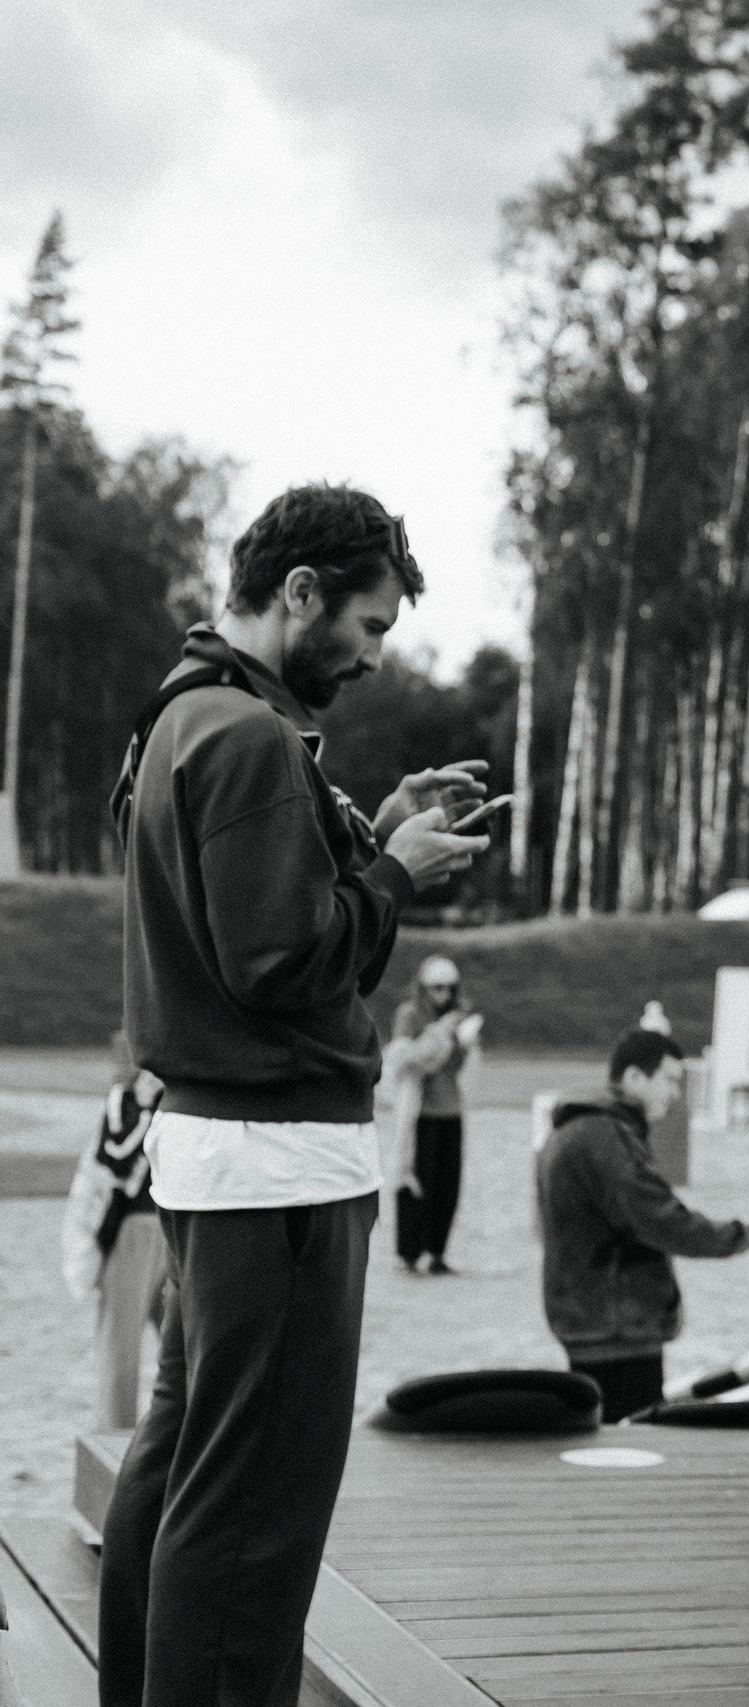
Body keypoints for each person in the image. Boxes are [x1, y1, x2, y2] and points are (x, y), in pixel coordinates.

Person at [99, 483, 489, 1707]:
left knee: (181, 1470)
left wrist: (365, 834)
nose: (375, 656)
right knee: (257, 1511)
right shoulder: (254, 738)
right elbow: (280, 967)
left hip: (214, 1157)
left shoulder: (179, 717)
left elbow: (244, 928)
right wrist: (393, 872)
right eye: (368, 626)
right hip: (281, 1166)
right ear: (300, 591)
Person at [535, 1027, 749, 1423]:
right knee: (629, 1448)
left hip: (589, 1318)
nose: (676, 1093)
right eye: (670, 1079)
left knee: (606, 1443)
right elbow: (665, 1222)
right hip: (616, 1327)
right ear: (633, 1078)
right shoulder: (605, 1137)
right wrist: (748, 1235)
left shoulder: (575, 1130)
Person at [59, 1033, 168, 1430]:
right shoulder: (126, 1100)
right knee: (127, 1339)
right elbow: (115, 1157)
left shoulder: (167, 1098)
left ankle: (144, 1431)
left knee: (171, 1340)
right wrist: (142, 1107)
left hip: (163, 1229)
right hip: (140, 1226)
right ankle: (117, 1431)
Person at [384, 954, 481, 1274]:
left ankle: (438, 1251)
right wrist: (440, 1033)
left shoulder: (457, 1017)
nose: (443, 995)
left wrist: (464, 1043)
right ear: (423, 988)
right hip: (419, 1112)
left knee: (446, 1186)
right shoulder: (410, 1015)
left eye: (449, 988)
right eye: (436, 988)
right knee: (414, 1180)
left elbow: (459, 1069)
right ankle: (409, 1252)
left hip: (450, 1108)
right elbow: (405, 1060)